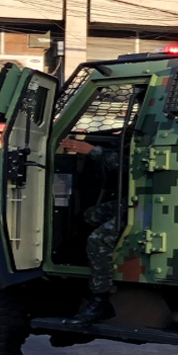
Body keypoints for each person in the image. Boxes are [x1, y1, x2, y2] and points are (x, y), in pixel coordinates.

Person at [59, 138, 120, 323]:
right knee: (90, 216)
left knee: (99, 240)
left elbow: (132, 165)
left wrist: (92, 150)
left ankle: (101, 300)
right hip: (143, 198)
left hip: (148, 204)